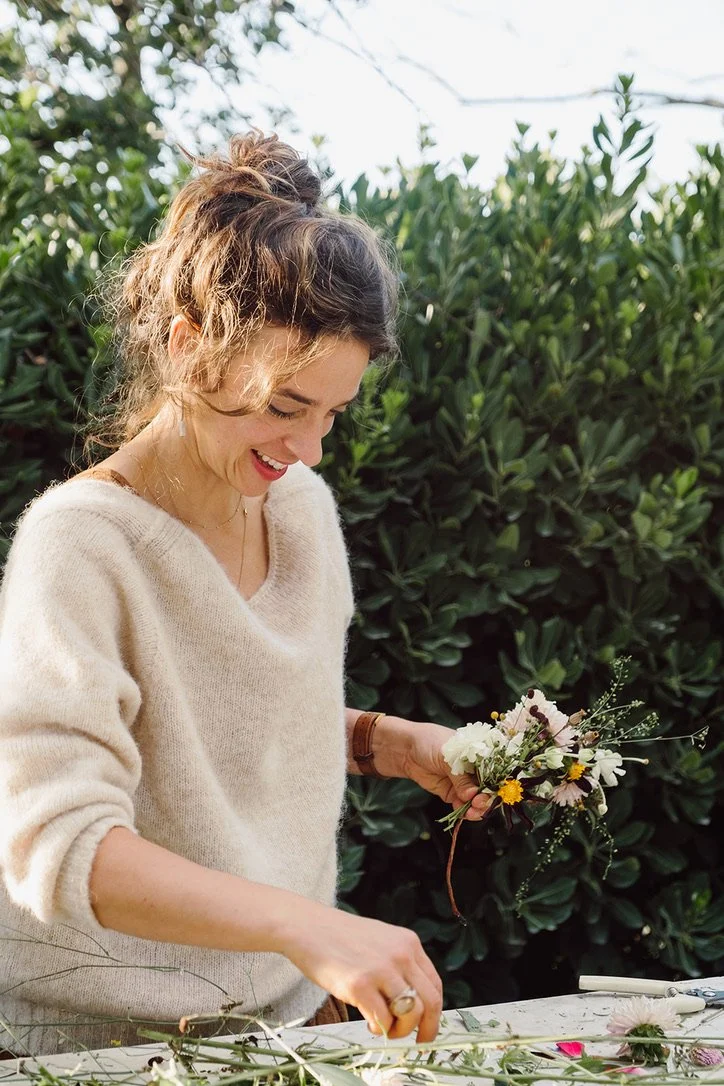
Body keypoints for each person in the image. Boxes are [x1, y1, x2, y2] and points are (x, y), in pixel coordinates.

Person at [0, 130, 490, 1059]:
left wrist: (386, 744)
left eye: (332, 413)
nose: (307, 448)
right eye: (283, 405)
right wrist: (307, 925)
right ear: (190, 351)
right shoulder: (79, 546)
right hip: (92, 1049)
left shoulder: (299, 509)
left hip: (281, 1026)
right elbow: (53, 842)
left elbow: (211, 724)